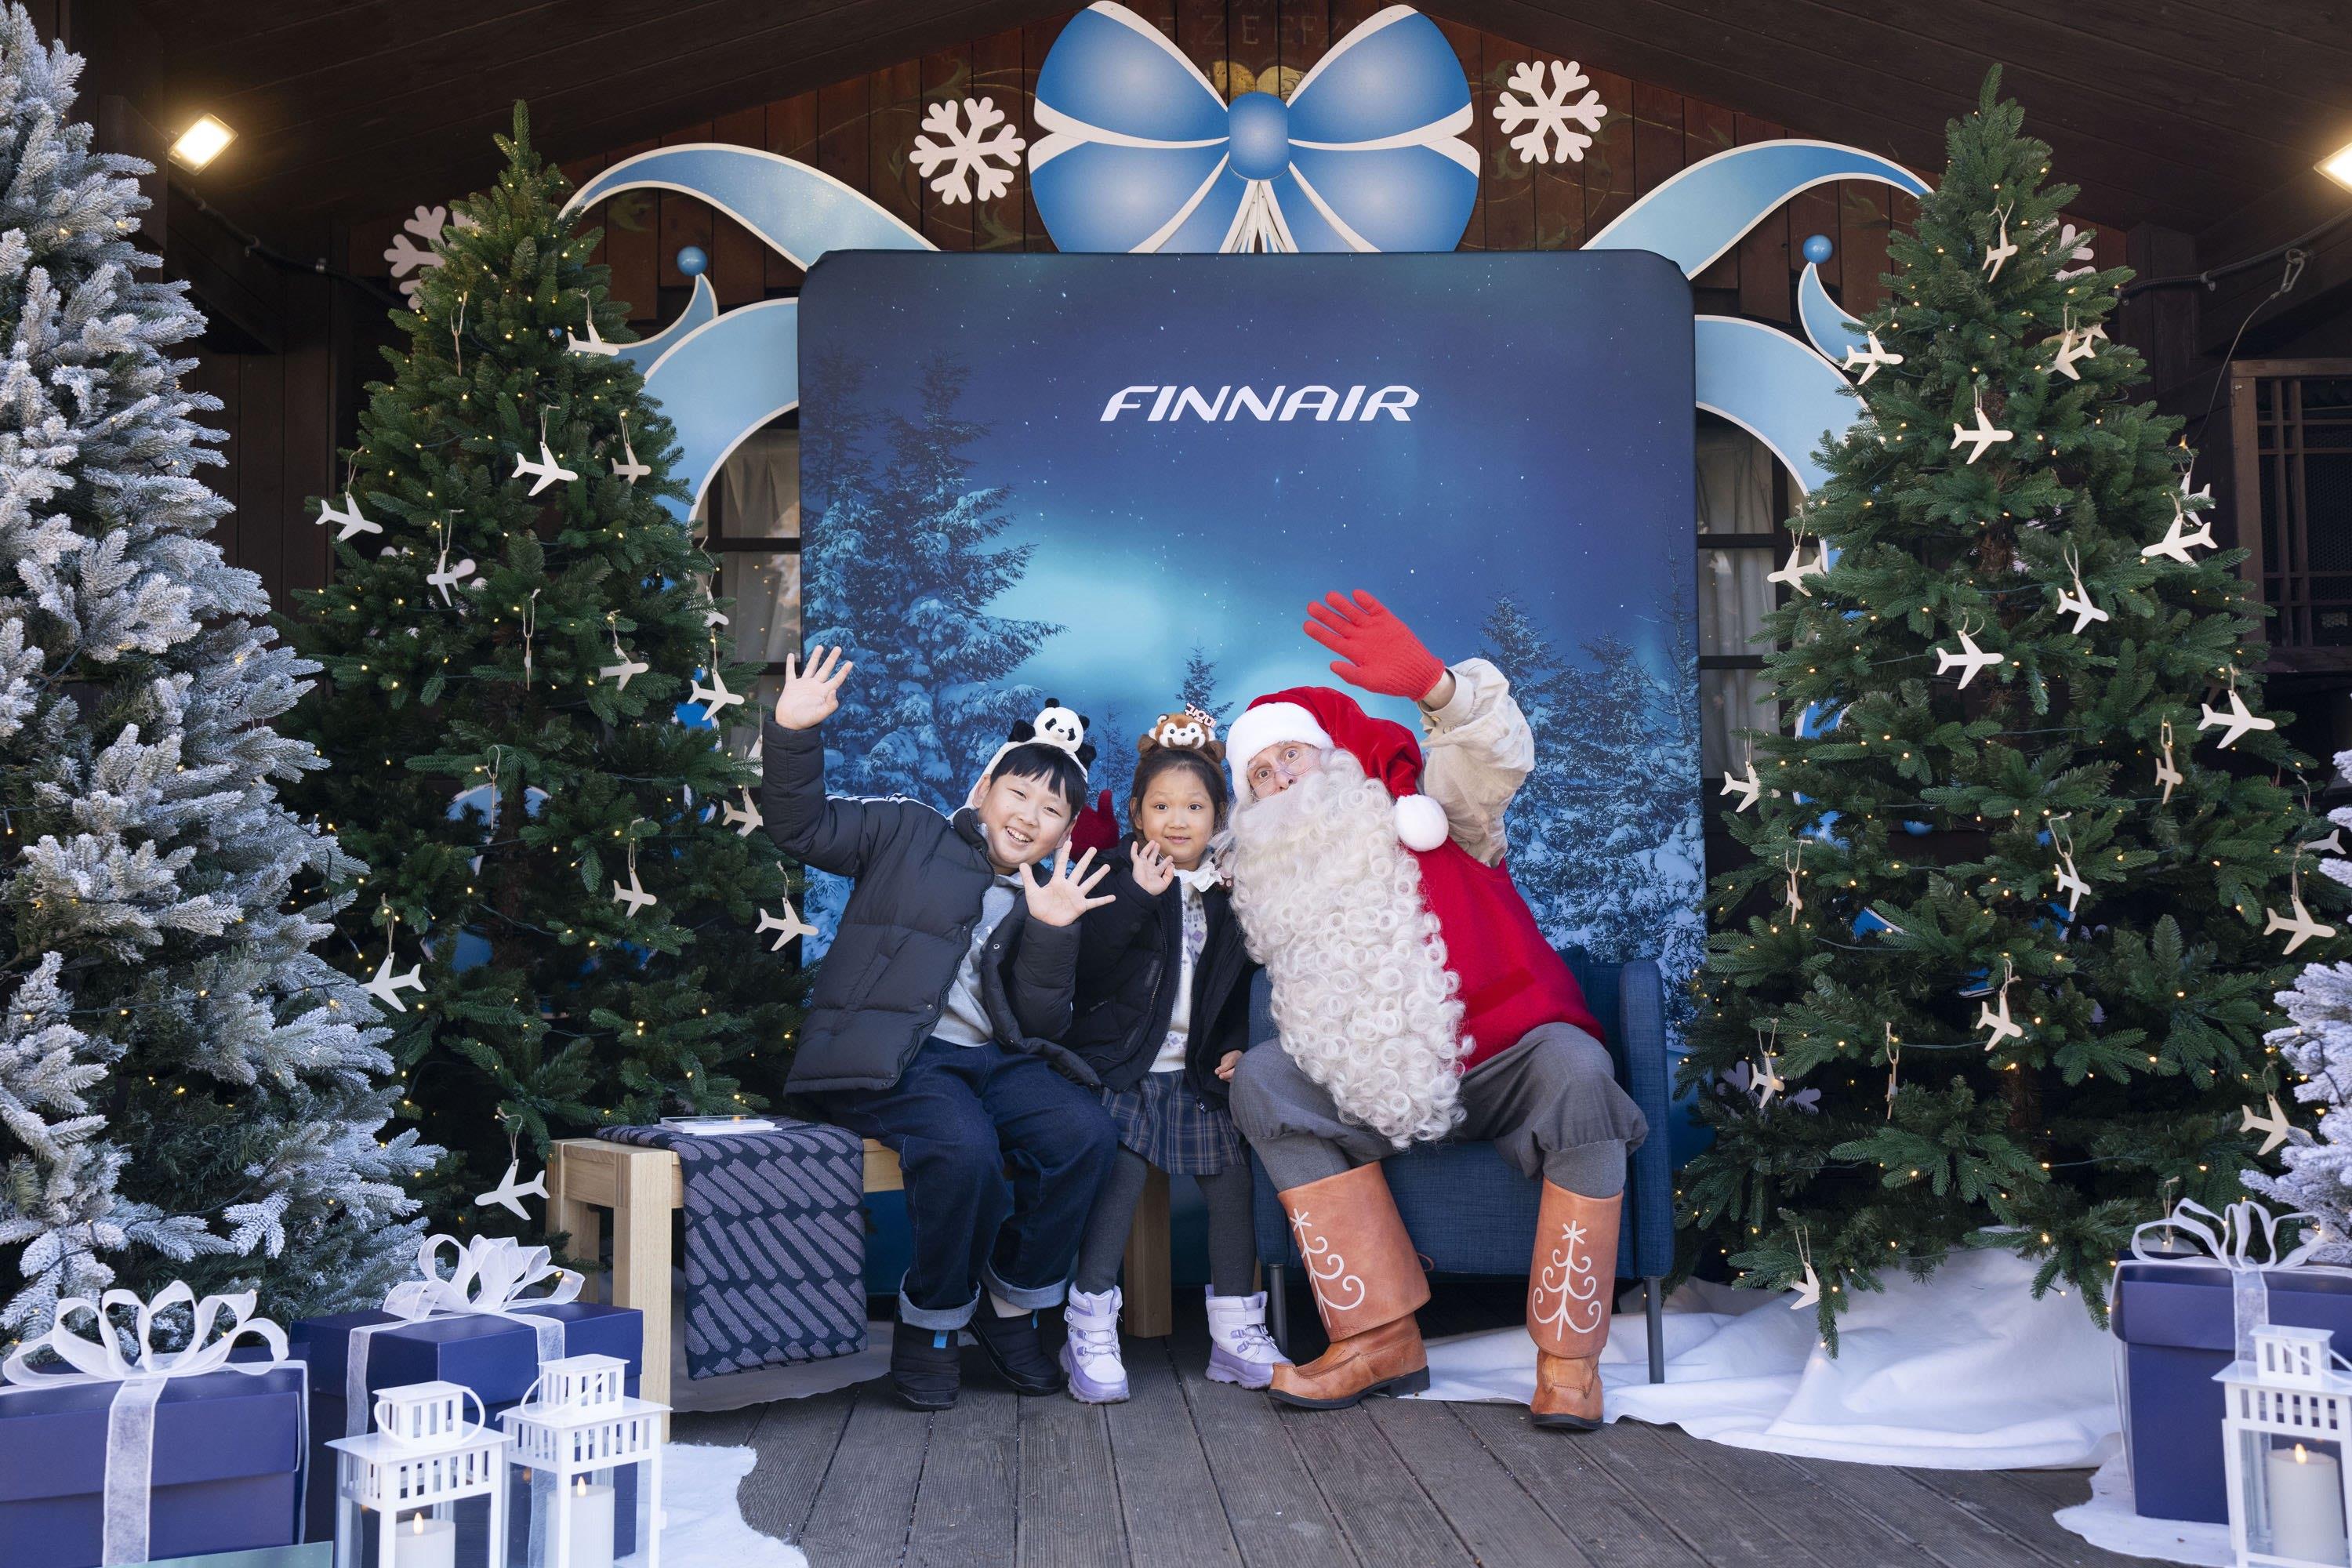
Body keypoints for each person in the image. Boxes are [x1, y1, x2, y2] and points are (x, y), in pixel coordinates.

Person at [1223, 591, 1648, 1431]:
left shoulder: (1436, 812)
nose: (1279, 782)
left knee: (1579, 1068)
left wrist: (1436, 687)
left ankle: (1569, 1360)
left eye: (1290, 757)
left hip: (1503, 1062)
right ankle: (1378, 1339)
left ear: (1333, 760)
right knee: (1265, 1078)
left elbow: (1492, 756)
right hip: (1373, 1087)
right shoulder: (1277, 885)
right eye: (1259, 775)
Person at [762, 645, 1121, 1412]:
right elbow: (802, 827)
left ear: (1064, 831)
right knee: (963, 1149)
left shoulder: (1048, 896)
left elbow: (1039, 1022)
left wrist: (1053, 933)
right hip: (894, 1058)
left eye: (1051, 811)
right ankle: (931, 1322)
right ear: (985, 789)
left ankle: (1012, 1303)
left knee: (1084, 1133)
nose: (1028, 816)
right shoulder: (907, 830)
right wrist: (793, 733)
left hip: (990, 1061)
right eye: (1018, 793)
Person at [1058, 713, 1288, 1401]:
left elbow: (1241, 986)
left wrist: (1239, 1044)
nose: (1177, 821)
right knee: (1120, 1176)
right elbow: (1088, 971)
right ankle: (1090, 1324)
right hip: (1124, 1070)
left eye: (1194, 807)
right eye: (1161, 807)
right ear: (1136, 814)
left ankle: (1235, 1332)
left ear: (1219, 816)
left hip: (1195, 1073)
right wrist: (1136, 895)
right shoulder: (1111, 874)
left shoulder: (1232, 892)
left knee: (1233, 1182)